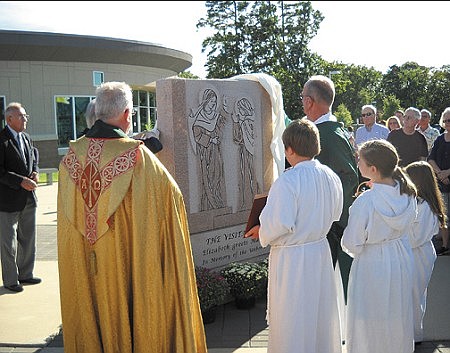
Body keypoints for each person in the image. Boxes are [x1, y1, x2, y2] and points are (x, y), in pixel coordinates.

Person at [57, 82, 207, 352]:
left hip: (86, 266)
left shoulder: (70, 159)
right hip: (125, 264)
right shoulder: (137, 158)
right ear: (127, 114)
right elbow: (171, 204)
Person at [244, 118, 344, 353]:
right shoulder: (330, 175)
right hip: (319, 251)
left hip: (294, 260)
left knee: (294, 317)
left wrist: (261, 229)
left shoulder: (288, 181)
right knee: (319, 315)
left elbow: (280, 223)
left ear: (289, 149)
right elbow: (336, 213)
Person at [341, 139, 417, 353]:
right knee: (397, 314)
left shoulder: (367, 201)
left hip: (372, 262)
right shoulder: (408, 194)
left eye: (359, 160)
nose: (357, 164)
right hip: (401, 258)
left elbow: (352, 243)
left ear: (372, 169)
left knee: (369, 316)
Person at [302, 75, 358, 301]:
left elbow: (348, 178)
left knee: (334, 290)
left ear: (309, 101)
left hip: (333, 228)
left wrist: (328, 213)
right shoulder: (326, 131)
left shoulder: (327, 134)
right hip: (328, 224)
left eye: (302, 98)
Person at [0, 102, 41, 292]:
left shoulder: (26, 138)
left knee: (28, 239)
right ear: (9, 119)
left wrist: (35, 172)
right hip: (7, 202)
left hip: (28, 198)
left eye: (26, 116)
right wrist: (20, 181)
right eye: (22, 116)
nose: (26, 119)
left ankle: (26, 274)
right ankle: (10, 280)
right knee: (9, 244)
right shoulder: (2, 140)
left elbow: (34, 156)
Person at [405, 161, 446, 345]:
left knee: (414, 295)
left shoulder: (424, 207)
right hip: (417, 253)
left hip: (418, 254)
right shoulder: (421, 203)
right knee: (414, 295)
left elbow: (414, 237)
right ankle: (413, 333)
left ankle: (413, 335)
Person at [83, 98, 163, 154]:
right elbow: (155, 145)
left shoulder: (80, 146)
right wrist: (152, 135)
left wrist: (132, 138)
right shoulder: (126, 148)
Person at [427, 107, 450, 255]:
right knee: (444, 215)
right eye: (446, 120)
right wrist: (441, 174)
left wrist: (448, 172)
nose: (448, 123)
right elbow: (431, 159)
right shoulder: (440, 139)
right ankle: (445, 245)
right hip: (441, 183)